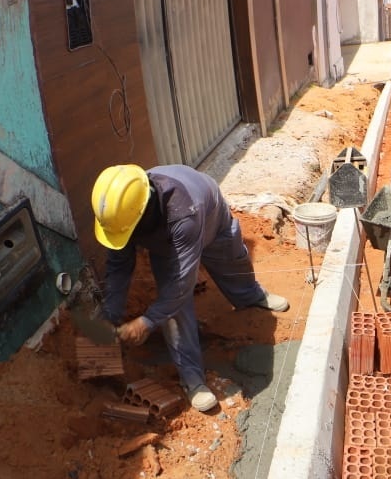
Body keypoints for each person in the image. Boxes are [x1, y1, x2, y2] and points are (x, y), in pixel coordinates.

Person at [91, 164, 290, 411]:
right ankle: (193, 379)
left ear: (145, 211)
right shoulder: (120, 215)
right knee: (174, 310)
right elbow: (118, 267)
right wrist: (110, 315)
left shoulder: (184, 213)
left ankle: (251, 295)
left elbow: (182, 283)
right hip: (165, 241)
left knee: (232, 261)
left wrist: (147, 321)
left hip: (209, 216)